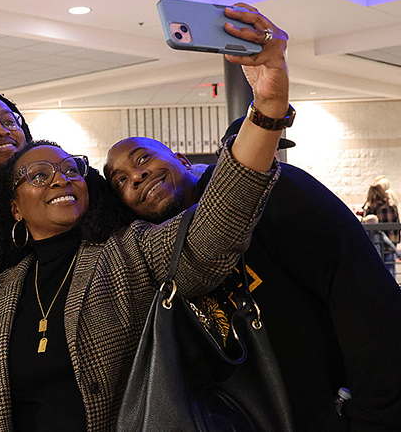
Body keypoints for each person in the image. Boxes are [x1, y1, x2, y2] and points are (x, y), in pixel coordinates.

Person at [0, 3, 289, 431]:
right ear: (15, 207)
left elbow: (213, 230)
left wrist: (268, 107)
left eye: (71, 168)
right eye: (38, 175)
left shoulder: (128, 254)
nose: (60, 179)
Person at [104, 133, 401, 429]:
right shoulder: (163, 261)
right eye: (120, 181)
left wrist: (374, 413)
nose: (137, 176)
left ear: (182, 160)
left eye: (144, 159)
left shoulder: (271, 191)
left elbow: (363, 297)